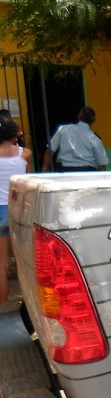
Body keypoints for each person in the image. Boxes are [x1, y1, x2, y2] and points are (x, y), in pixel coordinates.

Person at [0, 118, 31, 303]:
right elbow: (28, 181)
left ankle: (2, 306)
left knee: (2, 265)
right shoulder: (25, 153)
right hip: (17, 208)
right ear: (16, 134)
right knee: (23, 262)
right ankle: (28, 304)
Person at [43, 106, 109, 172]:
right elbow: (102, 165)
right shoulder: (95, 138)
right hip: (87, 172)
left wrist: (45, 169)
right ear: (94, 121)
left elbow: (49, 151)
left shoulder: (63, 129)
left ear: (78, 116)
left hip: (64, 170)